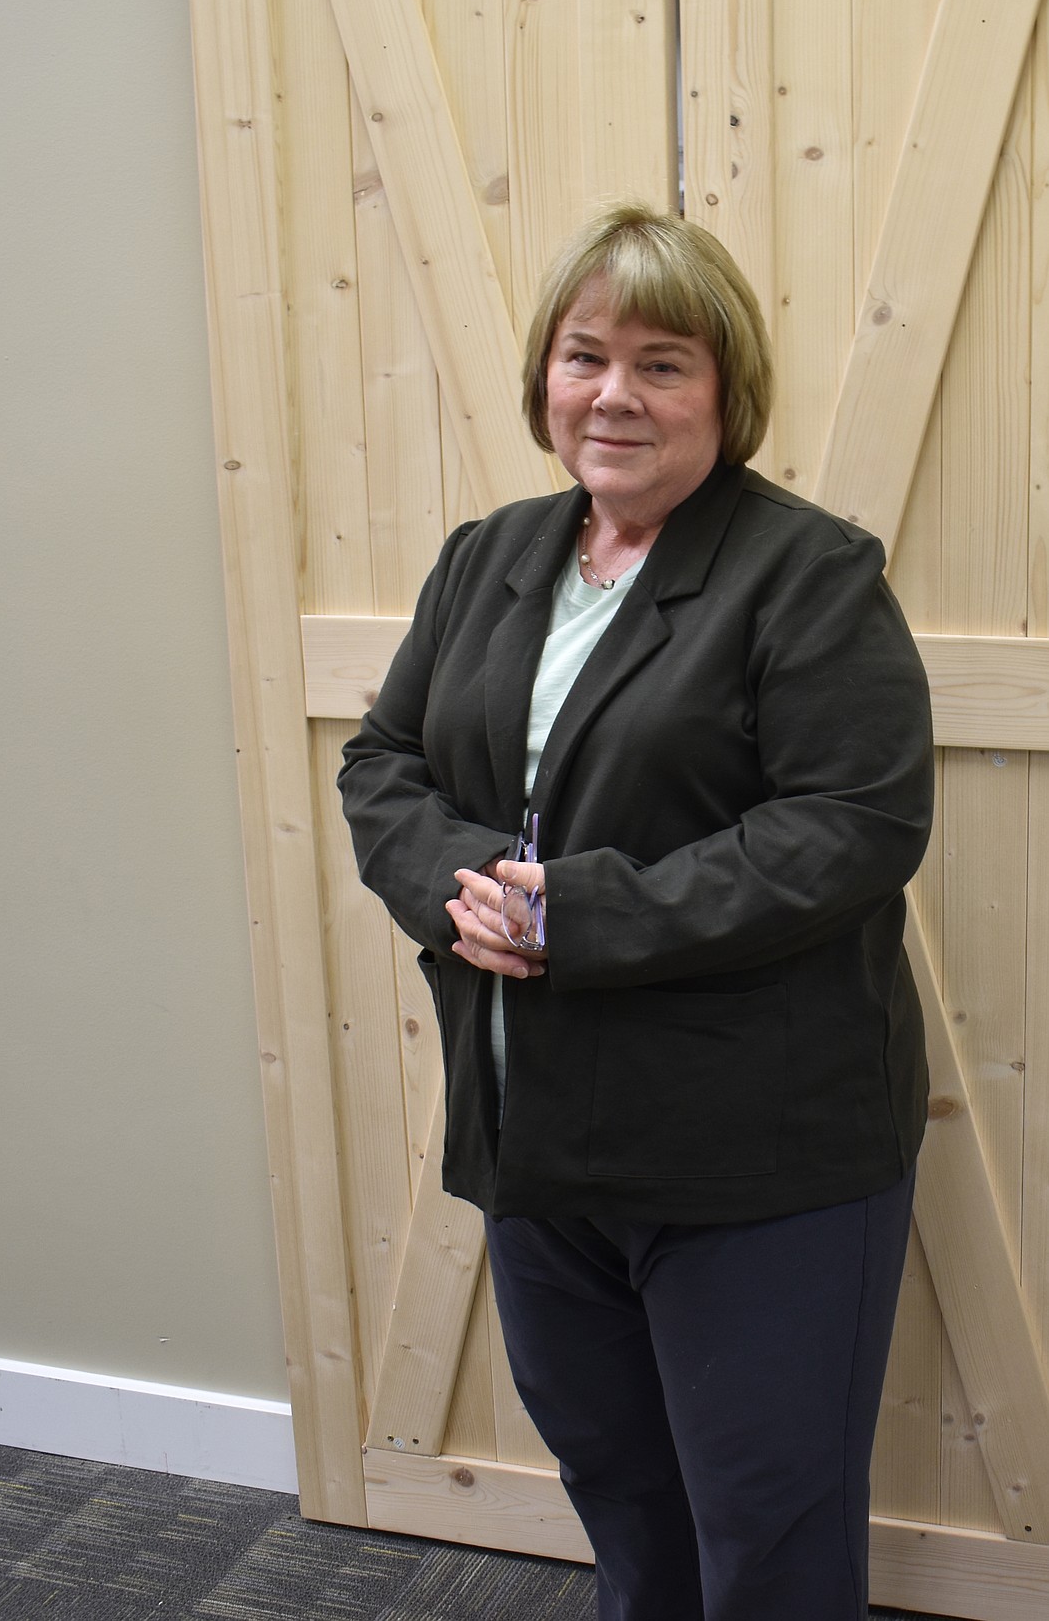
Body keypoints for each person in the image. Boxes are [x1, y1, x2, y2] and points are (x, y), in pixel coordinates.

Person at [338, 202, 933, 1621]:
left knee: (765, 1540)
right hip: (537, 1133)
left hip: (754, 1159)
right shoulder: (490, 555)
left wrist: (575, 917)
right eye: (584, 355)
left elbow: (848, 827)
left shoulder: (807, 572)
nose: (613, 394)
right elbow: (383, 764)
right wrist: (458, 888)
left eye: (661, 362)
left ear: (725, 392)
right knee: (625, 1501)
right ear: (544, 375)